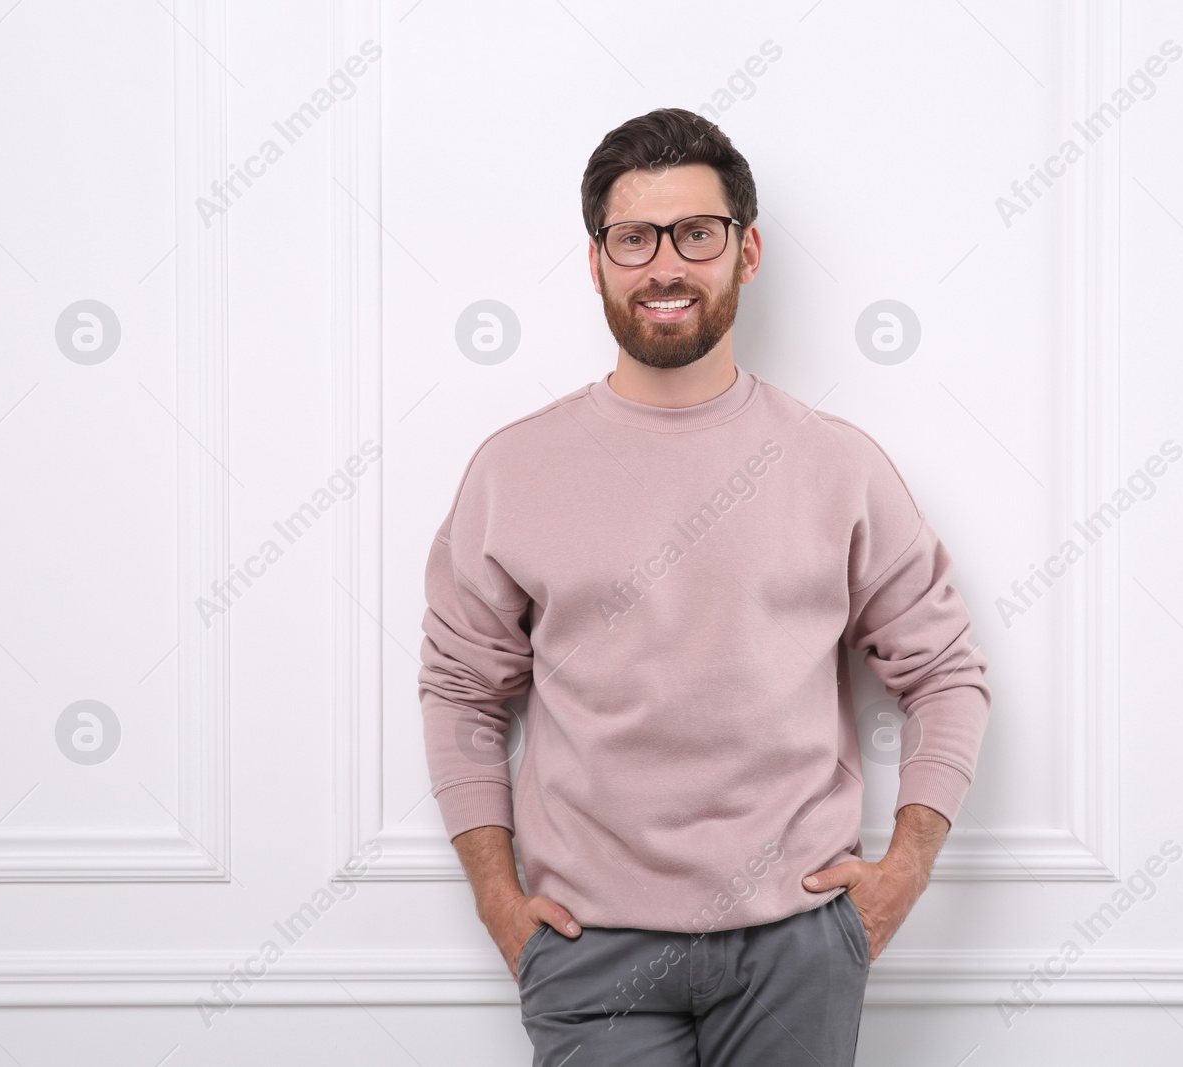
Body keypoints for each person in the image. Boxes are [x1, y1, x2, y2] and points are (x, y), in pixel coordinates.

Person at [418, 106, 991, 1067]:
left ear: (746, 250)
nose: (665, 265)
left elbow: (947, 673)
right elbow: (462, 689)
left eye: (696, 233)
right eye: (633, 238)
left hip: (798, 943)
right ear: (596, 260)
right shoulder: (513, 470)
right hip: (586, 948)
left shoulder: (837, 465)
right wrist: (497, 898)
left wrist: (905, 871)